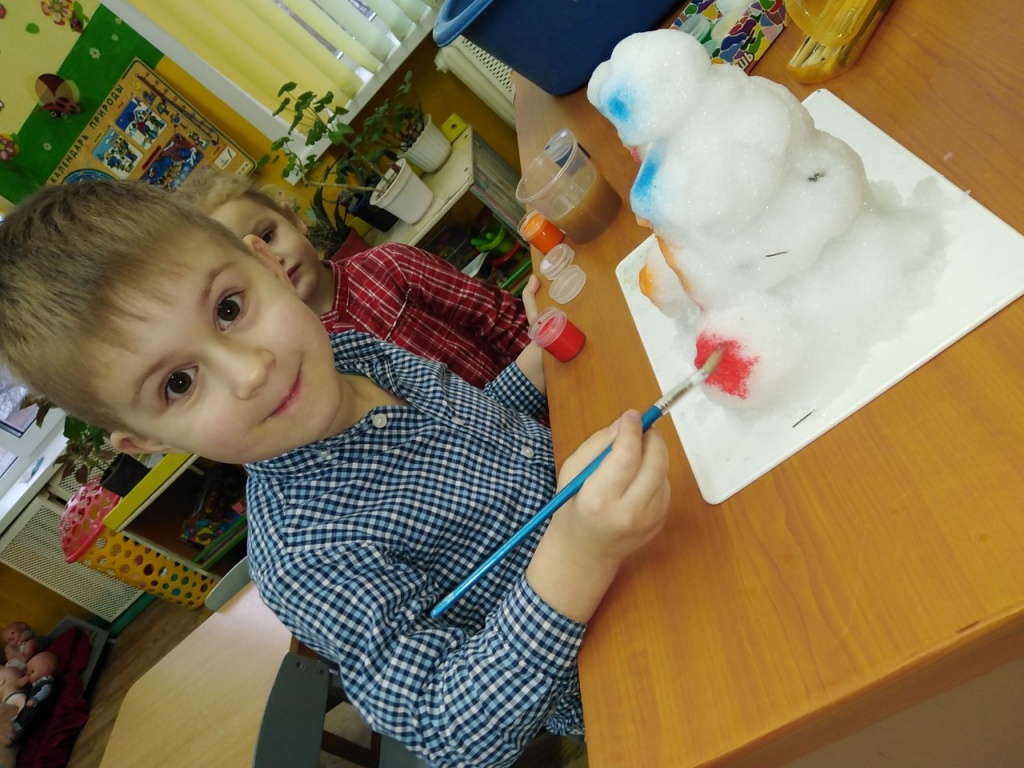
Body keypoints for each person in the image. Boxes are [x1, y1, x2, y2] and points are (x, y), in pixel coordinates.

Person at [0, 180, 669, 768]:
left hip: (660, 525)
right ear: (146, 441)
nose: (252, 370)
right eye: (178, 383)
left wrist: (529, 367)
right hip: (627, 663)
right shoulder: (305, 555)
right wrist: (579, 551)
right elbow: (450, 728)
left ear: (267, 264)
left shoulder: (352, 353)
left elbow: (469, 432)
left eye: (229, 309)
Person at [176, 169, 531, 389]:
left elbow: (499, 317)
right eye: (249, 263)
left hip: (535, 396)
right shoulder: (294, 365)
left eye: (268, 236)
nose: (274, 260)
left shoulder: (391, 264)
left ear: (294, 220)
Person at [0, 652, 58, 746]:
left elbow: (45, 691)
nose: (28, 676)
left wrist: (35, 699)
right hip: (32, 707)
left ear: (45, 668)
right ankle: (11, 732)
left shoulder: (46, 683)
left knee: (25, 718)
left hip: (36, 708)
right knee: (24, 718)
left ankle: (12, 733)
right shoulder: (34, 685)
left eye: (32, 671)